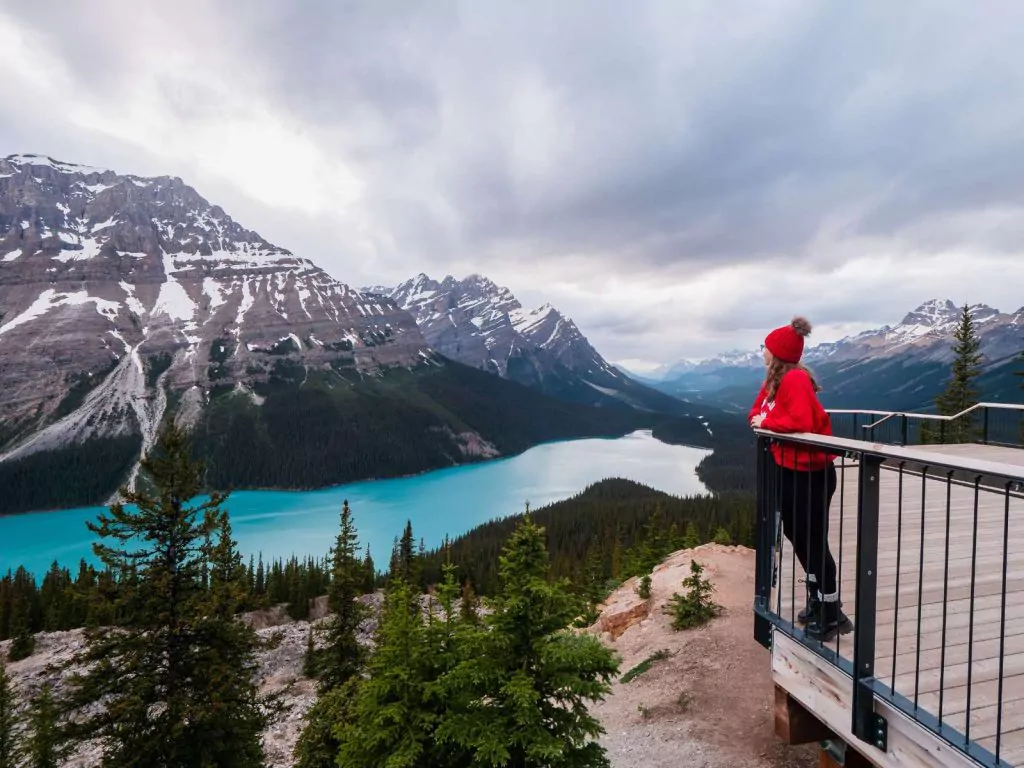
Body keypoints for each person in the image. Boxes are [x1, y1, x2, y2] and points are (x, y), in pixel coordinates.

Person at [749, 316, 852, 642]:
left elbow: (800, 419)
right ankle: (815, 597)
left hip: (812, 475)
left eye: (764, 347)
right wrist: (763, 419)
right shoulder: (773, 381)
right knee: (796, 534)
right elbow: (753, 414)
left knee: (813, 541)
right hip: (790, 469)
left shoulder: (794, 380)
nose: (762, 352)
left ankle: (832, 612)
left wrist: (767, 420)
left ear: (776, 352)